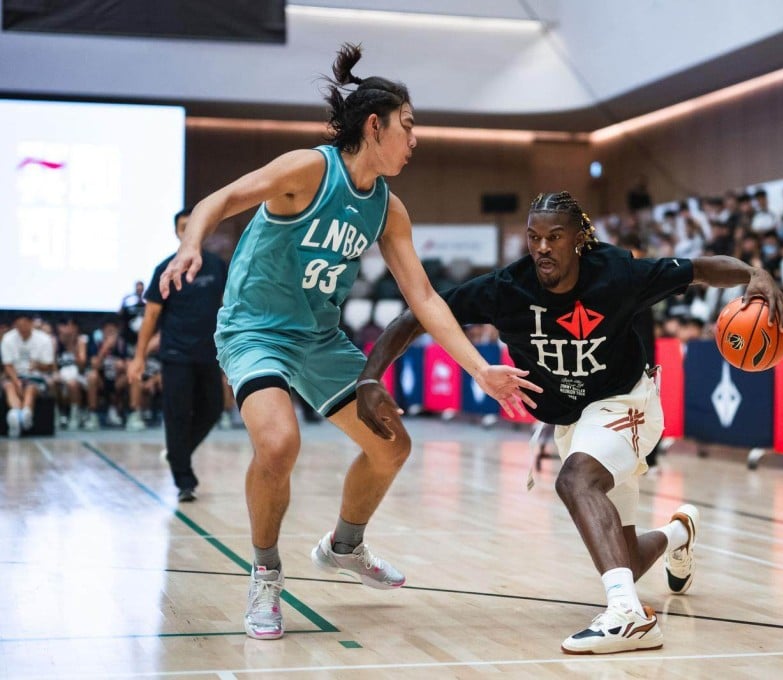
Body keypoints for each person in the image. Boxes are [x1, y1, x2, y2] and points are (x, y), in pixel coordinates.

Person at [156, 44, 537, 641]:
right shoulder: (309, 170)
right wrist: (191, 244)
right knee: (278, 444)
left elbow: (426, 300)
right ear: (374, 125)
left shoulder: (388, 209)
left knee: (391, 445)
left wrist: (480, 369)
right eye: (408, 128)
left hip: (319, 337)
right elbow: (220, 200)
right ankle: (265, 573)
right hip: (254, 329)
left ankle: (344, 546)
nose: (415, 141)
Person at [355, 191, 783, 655]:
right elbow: (417, 315)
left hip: (629, 403)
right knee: (623, 559)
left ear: (579, 240)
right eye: (534, 237)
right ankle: (680, 532)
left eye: (555, 237)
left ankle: (629, 617)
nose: (542, 247)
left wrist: (754, 274)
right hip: (573, 422)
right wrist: (368, 379)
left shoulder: (619, 273)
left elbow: (701, 269)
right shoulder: (508, 288)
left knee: (575, 480)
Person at [128, 209, 228, 501]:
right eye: (183, 227)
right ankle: (184, 480)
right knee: (178, 416)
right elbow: (151, 317)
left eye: (194, 226)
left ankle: (176, 453)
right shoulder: (165, 269)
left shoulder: (217, 266)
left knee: (211, 410)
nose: (189, 232)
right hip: (176, 354)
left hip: (209, 354)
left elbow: (228, 305)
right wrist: (139, 357)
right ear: (177, 233)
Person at [1, 313, 55, 438]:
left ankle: (26, 412)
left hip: (36, 376)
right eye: (19, 325)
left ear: (31, 324)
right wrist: (16, 381)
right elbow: (7, 365)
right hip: (14, 375)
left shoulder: (44, 339)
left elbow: (49, 365)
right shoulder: (8, 338)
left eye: (24, 324)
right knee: (9, 387)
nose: (22, 328)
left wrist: (37, 366)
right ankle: (16, 413)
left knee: (31, 388)